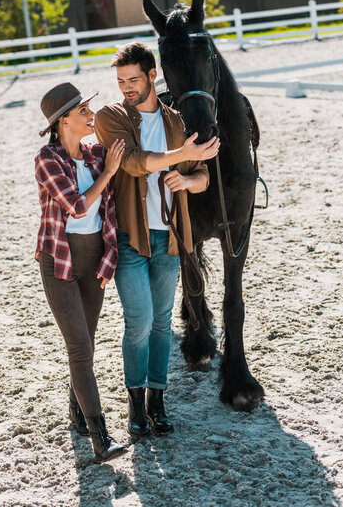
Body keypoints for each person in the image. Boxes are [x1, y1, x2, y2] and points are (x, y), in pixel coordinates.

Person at [94, 42, 220, 437]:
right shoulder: (111, 116)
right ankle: (134, 402)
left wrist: (186, 177)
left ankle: (157, 402)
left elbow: (203, 176)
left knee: (163, 324)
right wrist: (180, 154)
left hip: (169, 239)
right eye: (120, 81)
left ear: (153, 76)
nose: (126, 87)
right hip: (130, 238)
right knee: (140, 322)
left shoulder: (178, 122)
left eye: (133, 79)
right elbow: (132, 163)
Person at [34, 82, 127, 463]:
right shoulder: (47, 159)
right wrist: (109, 173)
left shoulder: (94, 155)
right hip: (58, 259)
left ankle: (76, 412)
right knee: (79, 347)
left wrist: (110, 258)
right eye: (85, 111)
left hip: (93, 259)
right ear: (64, 121)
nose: (92, 115)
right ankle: (99, 436)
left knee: (85, 343)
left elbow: (108, 211)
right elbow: (76, 206)